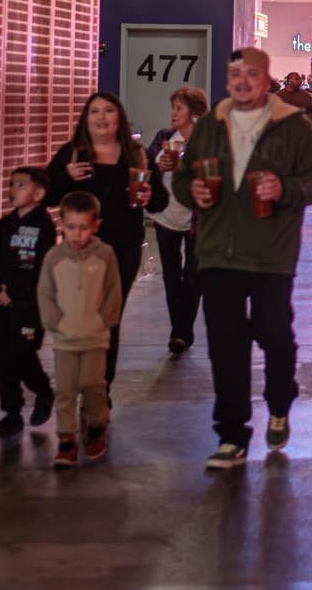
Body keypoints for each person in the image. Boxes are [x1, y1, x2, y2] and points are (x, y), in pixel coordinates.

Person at [172, 47, 312, 470]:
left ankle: (279, 400)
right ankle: (231, 436)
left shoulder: (292, 127)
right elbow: (186, 177)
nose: (243, 81)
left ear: (266, 80)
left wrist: (285, 190)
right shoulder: (209, 125)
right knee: (225, 346)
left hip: (270, 253)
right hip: (216, 252)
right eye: (235, 74)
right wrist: (193, 193)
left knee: (274, 333)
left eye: (252, 74)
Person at [46, 91, 149, 390]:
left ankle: (100, 388)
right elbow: (48, 196)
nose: (102, 117)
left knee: (108, 317)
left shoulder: (135, 153)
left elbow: (154, 200)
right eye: (94, 112)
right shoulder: (73, 153)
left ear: (120, 117)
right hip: (80, 248)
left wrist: (149, 194)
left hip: (123, 247)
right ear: (85, 119)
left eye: (108, 111)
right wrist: (66, 177)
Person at [0, 166, 57, 437]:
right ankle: (12, 411)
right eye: (11, 184)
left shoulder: (44, 227)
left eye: (20, 185)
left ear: (38, 193)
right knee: (2, 357)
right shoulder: (4, 225)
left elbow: (42, 268)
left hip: (29, 306)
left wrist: (15, 294)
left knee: (22, 354)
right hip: (4, 305)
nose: (12, 190)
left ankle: (43, 391)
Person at [38, 189, 124, 467]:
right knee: (64, 389)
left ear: (96, 225)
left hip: (95, 337)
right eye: (70, 227)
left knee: (93, 385)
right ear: (61, 224)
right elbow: (45, 292)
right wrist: (56, 323)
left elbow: (114, 290)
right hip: (64, 339)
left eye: (84, 227)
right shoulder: (54, 257)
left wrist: (104, 321)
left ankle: (96, 425)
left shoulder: (105, 254)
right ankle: (66, 438)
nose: (77, 234)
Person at [143, 88, 206, 354]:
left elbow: (215, 173)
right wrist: (157, 168)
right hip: (165, 215)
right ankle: (178, 333)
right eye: (173, 108)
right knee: (170, 276)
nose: (173, 114)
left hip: (196, 219)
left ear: (194, 113)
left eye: (179, 108)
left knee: (193, 277)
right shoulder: (164, 137)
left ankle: (184, 328)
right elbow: (145, 165)